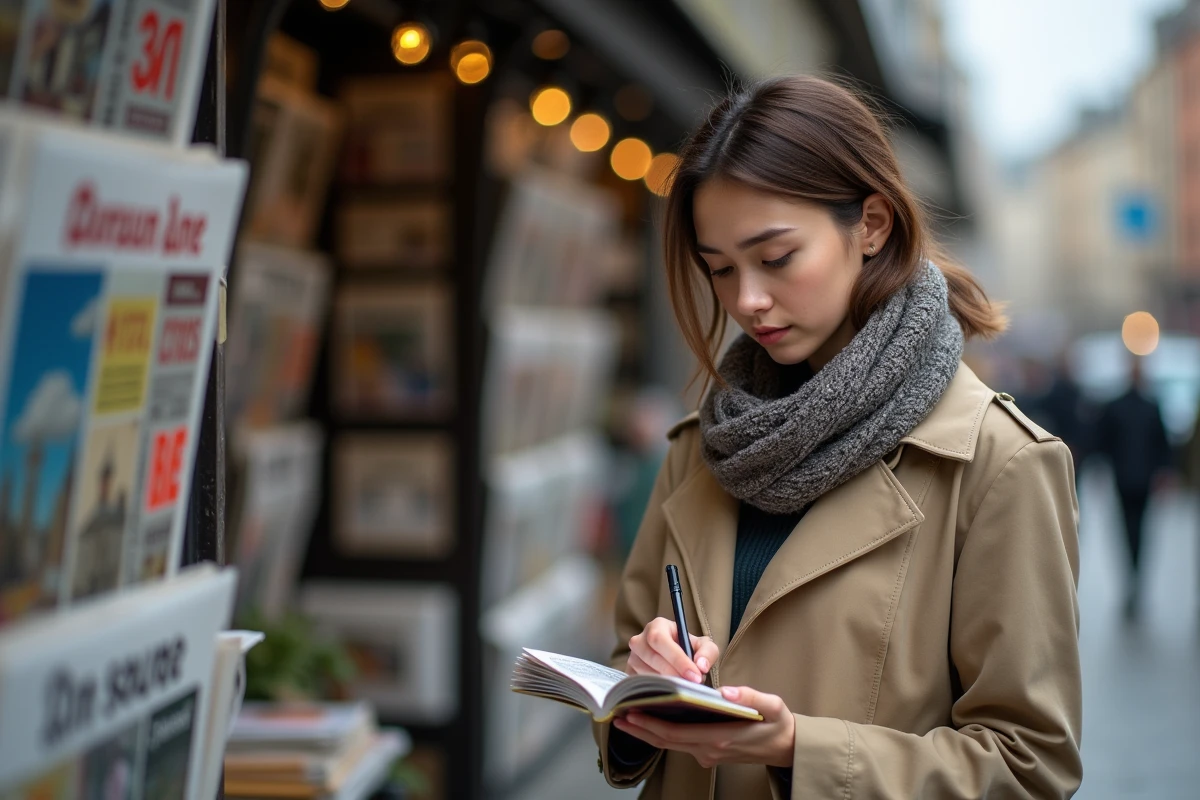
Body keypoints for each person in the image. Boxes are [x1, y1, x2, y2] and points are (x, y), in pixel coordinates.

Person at [594, 76, 1082, 799]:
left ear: (873, 225)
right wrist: (643, 687)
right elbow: (624, 683)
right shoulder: (702, 446)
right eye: (720, 268)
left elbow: (1029, 764)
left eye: (777, 257)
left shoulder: (998, 462)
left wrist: (800, 750)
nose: (746, 300)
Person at [1095, 358, 1172, 616]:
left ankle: (1136, 579)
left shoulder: (1151, 406)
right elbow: (1102, 441)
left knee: (1140, 531)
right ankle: (1131, 578)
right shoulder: (1116, 406)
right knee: (1126, 530)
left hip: (1143, 481)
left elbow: (1162, 444)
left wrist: (1163, 473)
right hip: (1123, 479)